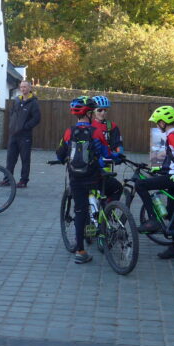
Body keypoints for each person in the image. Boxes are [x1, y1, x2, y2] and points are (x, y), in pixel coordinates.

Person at [56, 96, 117, 264]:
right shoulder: (96, 132)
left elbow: (60, 154)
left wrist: (63, 160)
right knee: (116, 188)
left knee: (80, 211)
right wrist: (115, 156)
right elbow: (107, 153)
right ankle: (108, 216)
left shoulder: (69, 132)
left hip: (76, 177)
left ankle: (80, 251)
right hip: (94, 177)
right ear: (90, 114)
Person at [135, 105, 174, 260]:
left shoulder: (172, 135)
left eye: (157, 122)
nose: (157, 125)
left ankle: (153, 220)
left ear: (163, 122)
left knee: (140, 184)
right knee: (172, 211)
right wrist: (159, 170)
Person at [5, 80, 41, 188]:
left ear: (30, 88)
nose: (23, 89)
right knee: (10, 158)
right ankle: (7, 179)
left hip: (25, 136)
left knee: (25, 159)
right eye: (21, 87)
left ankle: (23, 181)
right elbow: (12, 114)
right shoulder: (16, 100)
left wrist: (25, 127)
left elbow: (36, 119)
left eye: (25, 87)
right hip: (13, 135)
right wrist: (12, 126)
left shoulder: (33, 102)